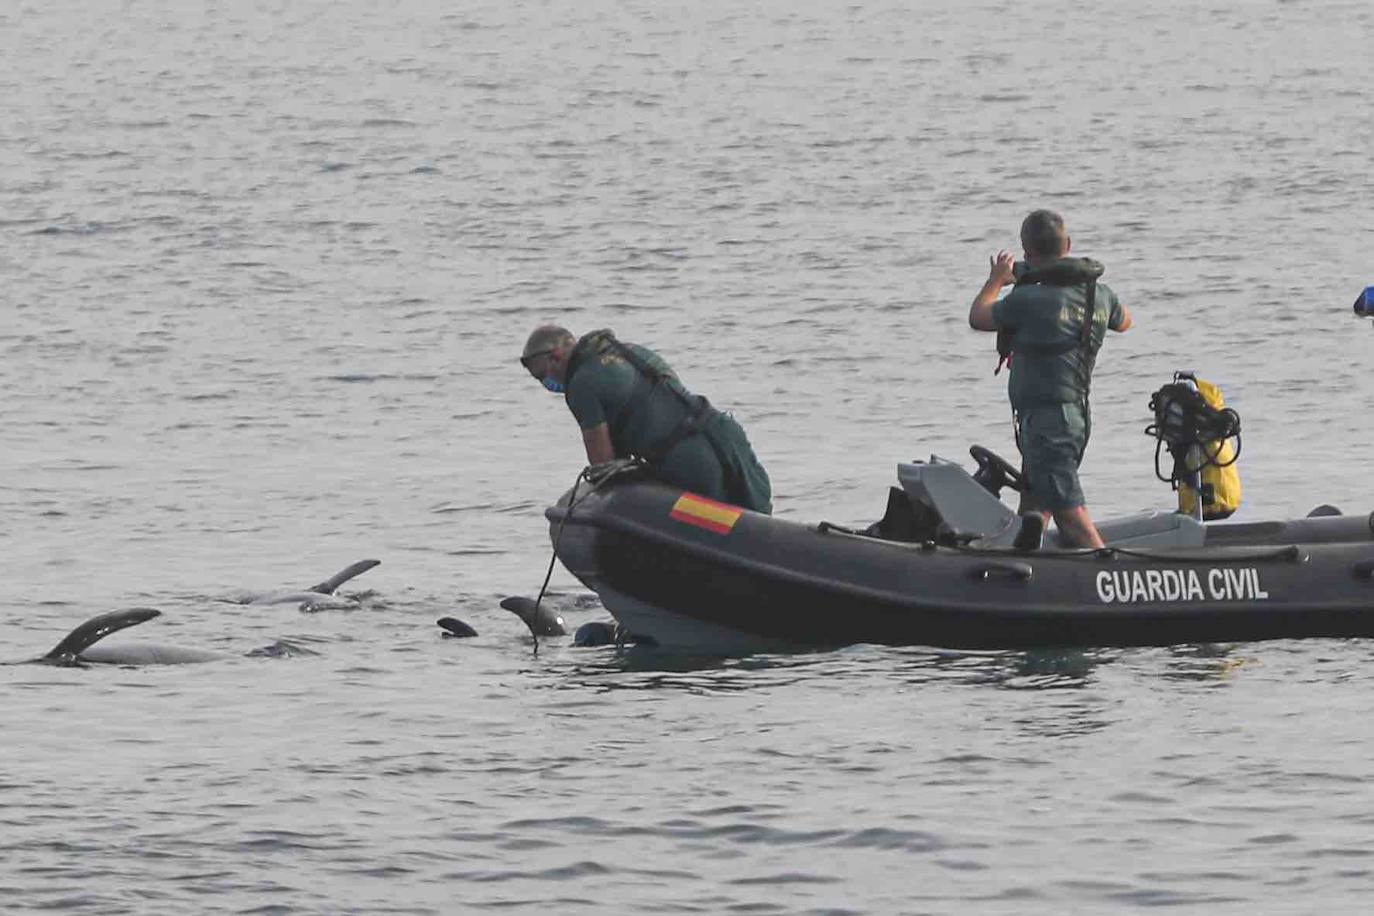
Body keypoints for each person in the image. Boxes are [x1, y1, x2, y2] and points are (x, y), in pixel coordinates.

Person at [967, 210, 1133, 548]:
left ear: (1027, 252)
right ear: (1068, 245)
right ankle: (1027, 558)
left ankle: (1109, 574)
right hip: (1074, 415)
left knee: (1069, 513)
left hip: (1047, 423)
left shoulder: (1027, 300)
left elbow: (979, 316)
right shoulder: (1099, 295)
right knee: (1037, 501)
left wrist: (997, 279)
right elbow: (1124, 321)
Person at [520, 325, 773, 513]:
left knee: (717, 536)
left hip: (689, 461)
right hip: (724, 434)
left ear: (555, 357)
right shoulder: (628, 351)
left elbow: (604, 466)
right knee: (759, 527)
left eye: (543, 376)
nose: (547, 384)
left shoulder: (581, 385)